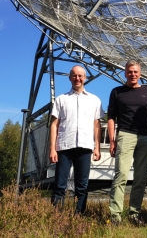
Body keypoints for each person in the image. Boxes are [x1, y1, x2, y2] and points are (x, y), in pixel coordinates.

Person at [108, 60, 147, 225]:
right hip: (125, 134)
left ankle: (134, 214)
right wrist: (112, 140)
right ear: (125, 72)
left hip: (145, 137)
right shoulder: (117, 92)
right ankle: (115, 216)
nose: (133, 74)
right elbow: (111, 117)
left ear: (140, 73)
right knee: (121, 175)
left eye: (136, 72)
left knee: (140, 178)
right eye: (130, 71)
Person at [50, 65, 104, 214]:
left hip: (85, 146)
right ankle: (56, 216)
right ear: (70, 78)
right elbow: (54, 124)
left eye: (80, 76)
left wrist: (97, 147)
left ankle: (79, 215)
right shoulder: (61, 99)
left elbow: (97, 126)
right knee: (60, 184)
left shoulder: (94, 100)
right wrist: (52, 148)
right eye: (74, 75)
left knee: (82, 185)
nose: (77, 78)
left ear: (85, 78)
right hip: (64, 146)